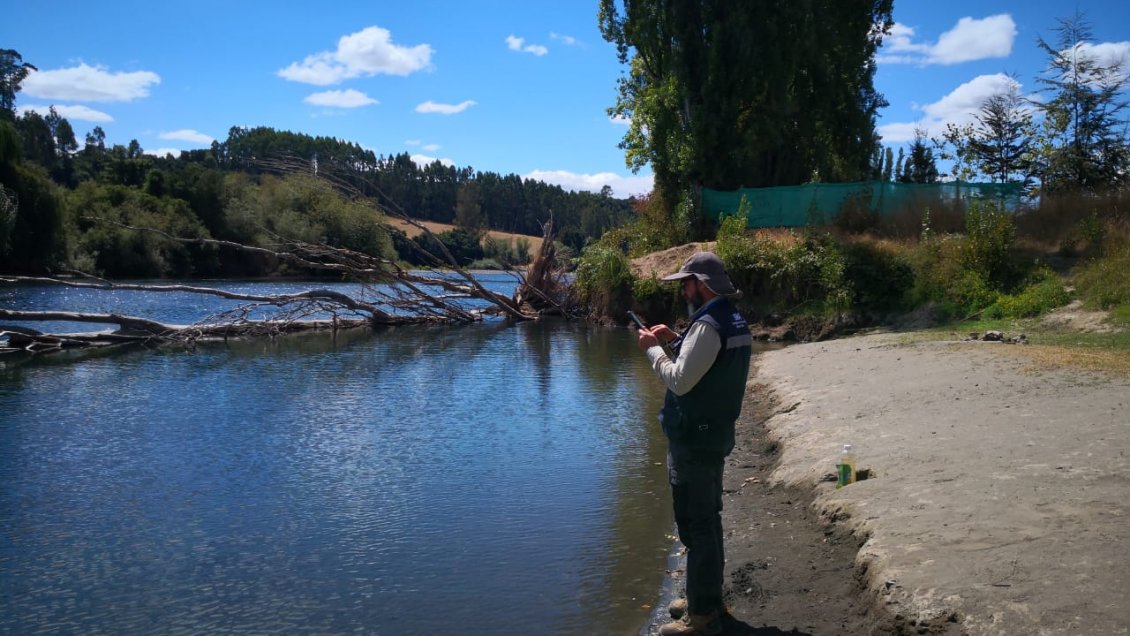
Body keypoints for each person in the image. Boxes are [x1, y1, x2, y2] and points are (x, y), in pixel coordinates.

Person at [636, 251, 752, 636]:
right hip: (713, 433)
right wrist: (675, 339)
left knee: (697, 522)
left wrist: (653, 350)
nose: (683, 290)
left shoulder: (708, 326)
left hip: (695, 437)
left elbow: (682, 381)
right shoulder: (730, 318)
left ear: (701, 285)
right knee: (707, 520)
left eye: (685, 283)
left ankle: (702, 617)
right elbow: (706, 366)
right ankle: (705, 595)